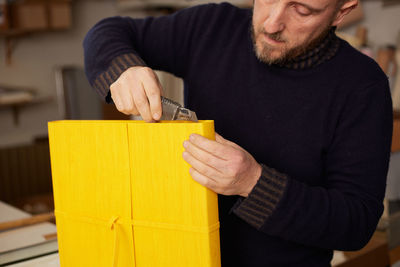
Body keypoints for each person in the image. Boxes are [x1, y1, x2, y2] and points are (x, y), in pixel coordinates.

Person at [83, 0, 393, 265]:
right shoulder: (213, 26)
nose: (271, 24)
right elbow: (107, 32)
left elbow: (357, 223)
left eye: (302, 10)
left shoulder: (363, 86)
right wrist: (125, 69)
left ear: (342, 11)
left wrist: (253, 183)